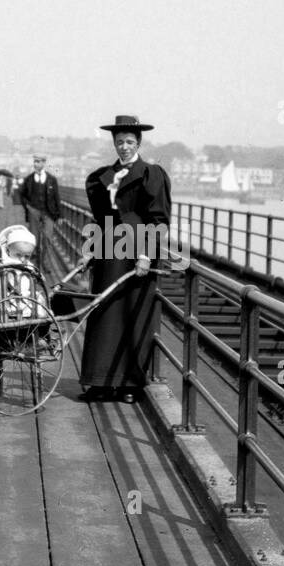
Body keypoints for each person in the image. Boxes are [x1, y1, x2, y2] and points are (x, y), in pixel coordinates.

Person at [79, 115, 171, 403]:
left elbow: (158, 219)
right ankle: (100, 382)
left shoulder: (151, 175)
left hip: (137, 255)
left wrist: (146, 255)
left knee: (133, 314)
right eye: (119, 142)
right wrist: (91, 250)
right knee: (104, 311)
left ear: (139, 143)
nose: (124, 147)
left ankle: (129, 384)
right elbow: (101, 218)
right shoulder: (103, 176)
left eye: (130, 142)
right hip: (109, 253)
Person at [18, 155, 60, 264]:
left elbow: (57, 197)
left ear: (43, 163)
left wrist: (60, 215)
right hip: (34, 211)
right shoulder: (29, 179)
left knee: (48, 237)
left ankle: (45, 261)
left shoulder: (52, 179)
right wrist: (27, 206)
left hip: (48, 213)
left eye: (38, 162)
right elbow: (21, 194)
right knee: (33, 237)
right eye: (34, 161)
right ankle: (34, 260)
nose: (35, 164)